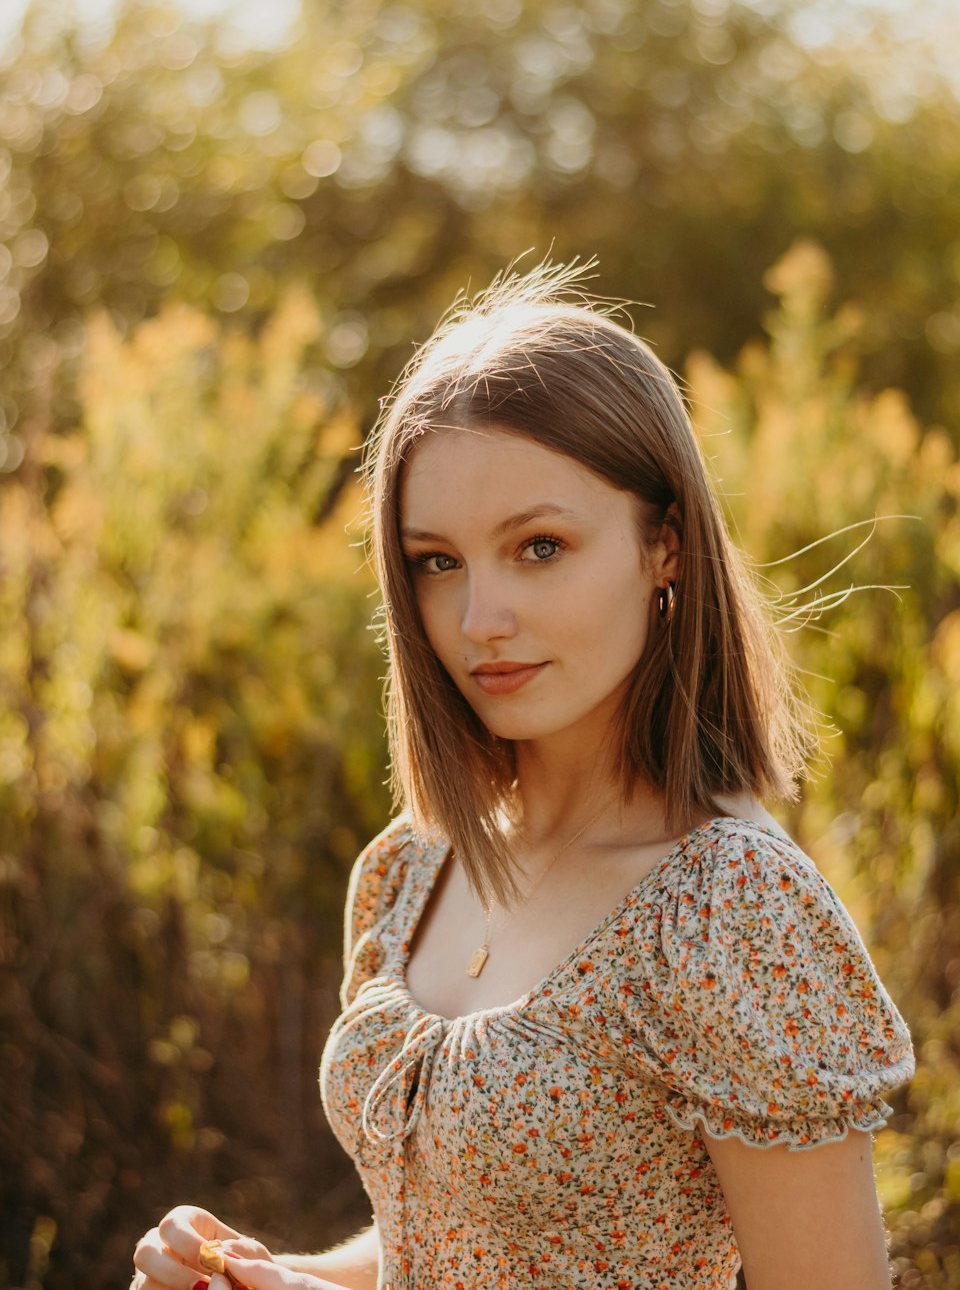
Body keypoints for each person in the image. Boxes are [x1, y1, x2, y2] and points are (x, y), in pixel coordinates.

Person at [133, 261, 916, 1290]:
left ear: (664, 547)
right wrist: (272, 1279)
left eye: (538, 547)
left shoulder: (728, 908)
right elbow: (466, 1243)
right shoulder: (409, 870)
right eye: (436, 561)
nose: (478, 621)